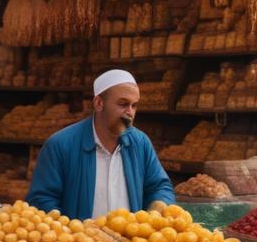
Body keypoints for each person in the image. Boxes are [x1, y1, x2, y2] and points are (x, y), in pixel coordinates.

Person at [27, 69, 175, 220]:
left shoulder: (140, 143)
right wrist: (69, 232)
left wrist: (158, 207)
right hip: (79, 241)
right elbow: (42, 200)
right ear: (98, 103)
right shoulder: (60, 145)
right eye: (123, 104)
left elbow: (159, 186)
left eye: (134, 105)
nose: (130, 112)